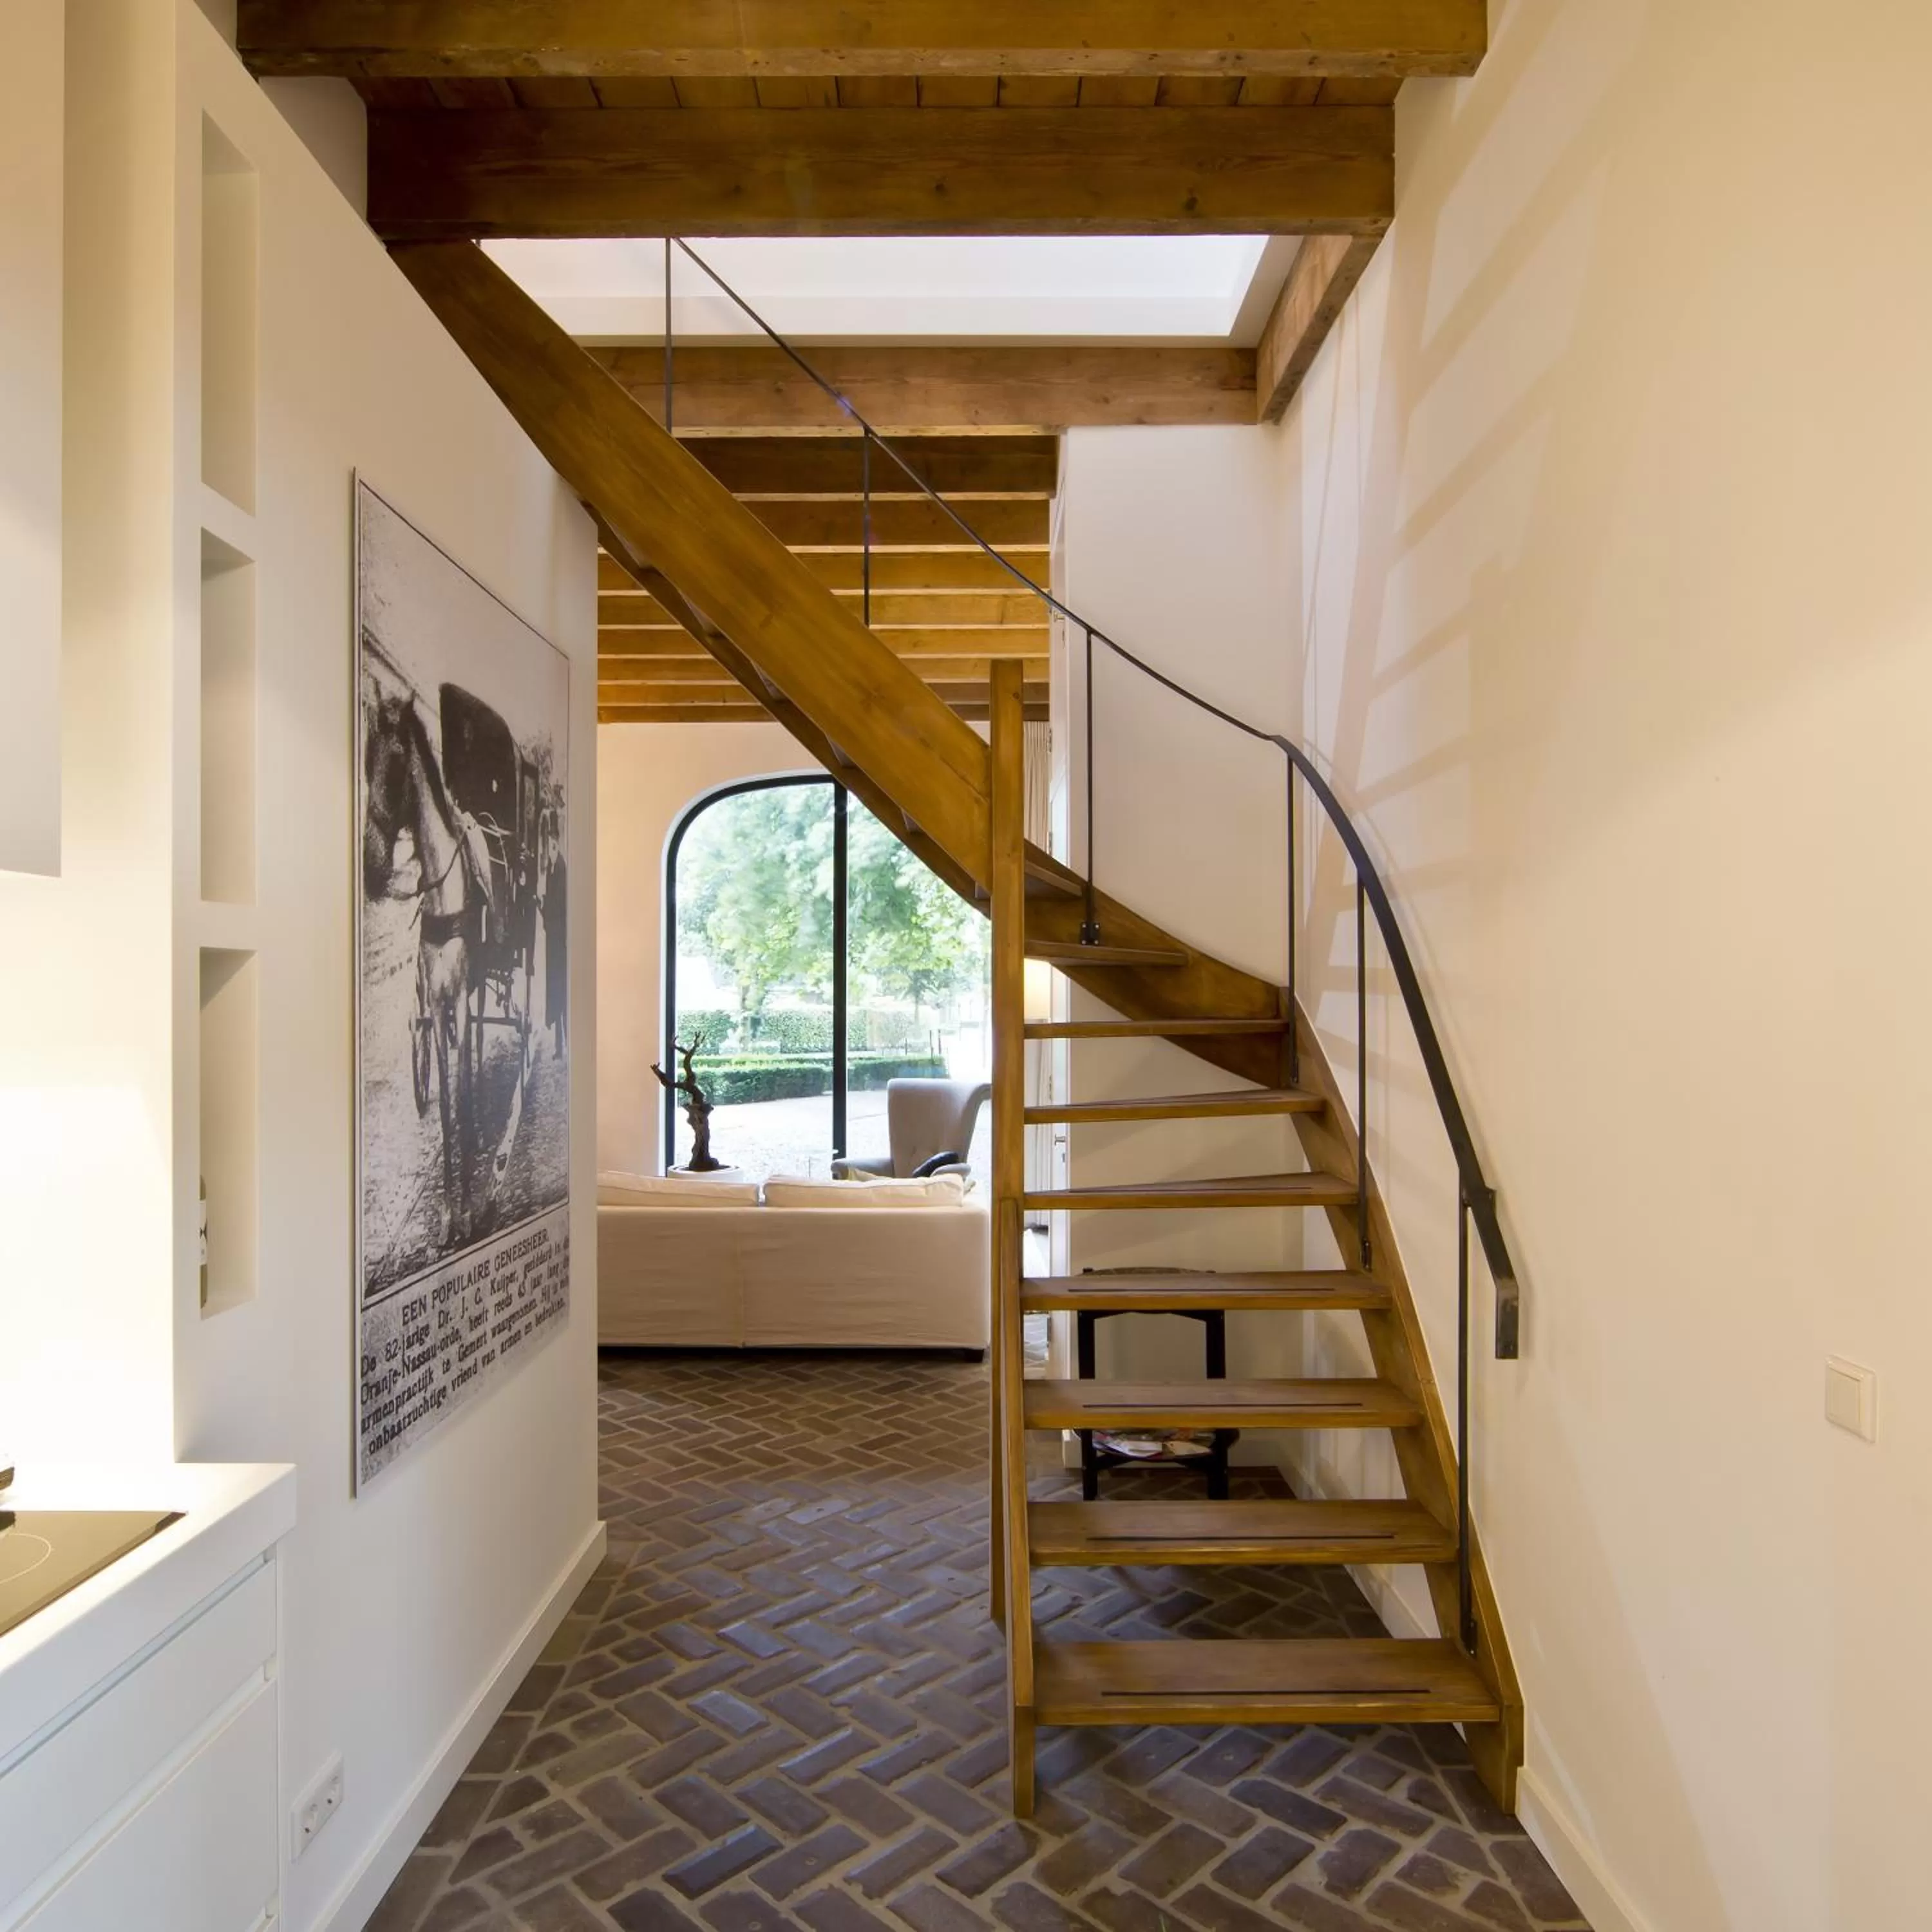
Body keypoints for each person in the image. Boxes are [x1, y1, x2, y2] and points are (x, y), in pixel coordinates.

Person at [544, 812, 567, 1057]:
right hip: (556, 943)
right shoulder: (555, 867)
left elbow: (558, 909)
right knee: (558, 995)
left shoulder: (560, 869)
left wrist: (542, 907)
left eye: (552, 844)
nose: (550, 848)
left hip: (559, 945)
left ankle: (563, 1048)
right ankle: (560, 1047)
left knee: (561, 995)